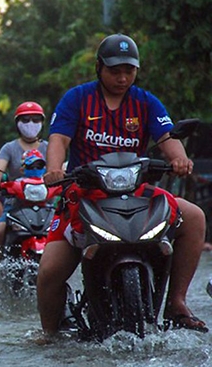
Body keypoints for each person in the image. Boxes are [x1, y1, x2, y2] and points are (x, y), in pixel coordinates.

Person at [38, 33, 208, 335]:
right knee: (49, 273)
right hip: (85, 195)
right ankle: (49, 336)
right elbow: (58, 139)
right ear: (99, 68)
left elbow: (168, 138)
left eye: (128, 70)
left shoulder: (146, 102)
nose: (122, 77)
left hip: (137, 191)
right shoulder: (76, 98)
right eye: (115, 70)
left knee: (194, 216)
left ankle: (177, 303)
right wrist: (53, 169)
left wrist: (180, 159)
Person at [0, 101, 49, 260]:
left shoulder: (49, 148)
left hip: (46, 203)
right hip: (15, 203)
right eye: (26, 119)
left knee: (67, 231)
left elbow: (59, 168)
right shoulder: (9, 148)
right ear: (17, 123)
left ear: (42, 123)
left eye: (36, 120)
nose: (31, 124)